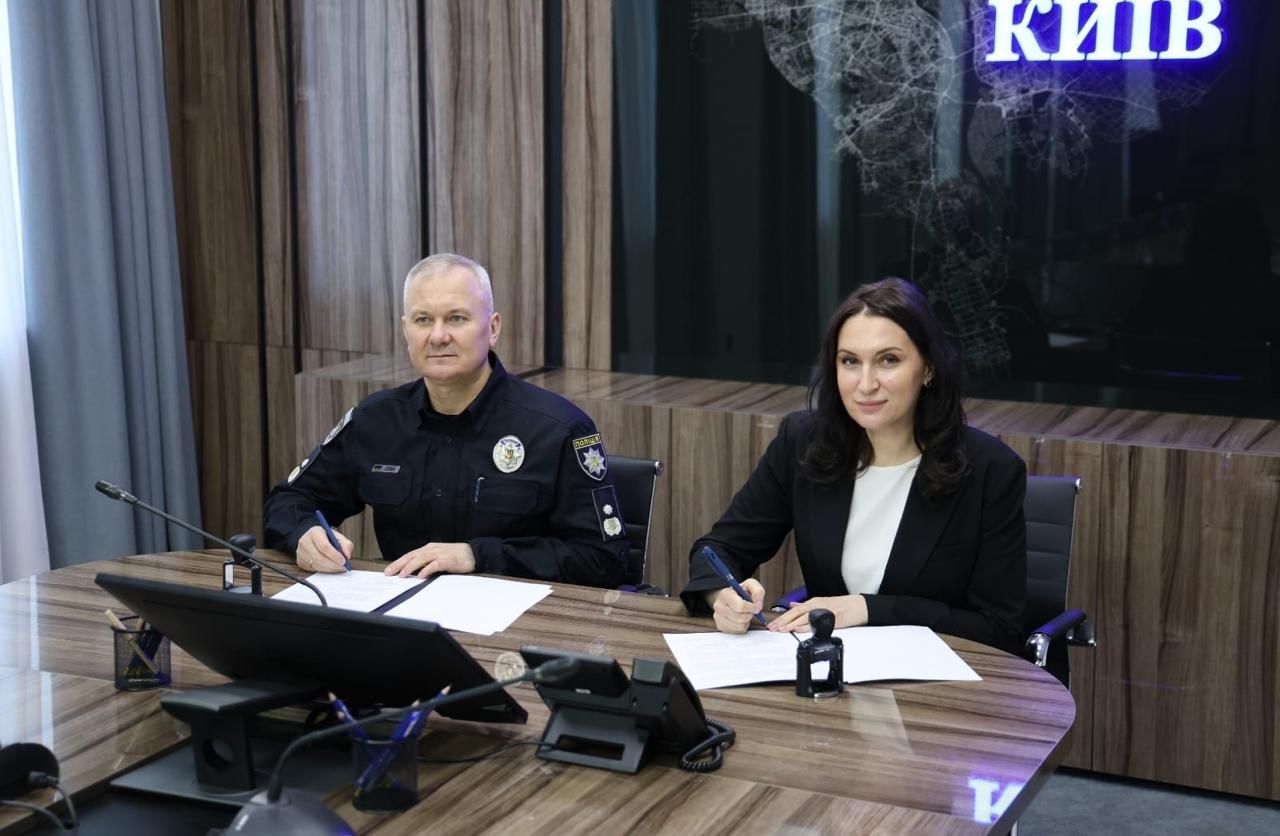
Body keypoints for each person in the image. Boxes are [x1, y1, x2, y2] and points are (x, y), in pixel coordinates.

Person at [680, 277, 1027, 653]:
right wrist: (722, 596)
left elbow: (998, 629)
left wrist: (866, 609)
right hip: (828, 672)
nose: (866, 384)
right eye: (850, 362)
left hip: (937, 679)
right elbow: (718, 549)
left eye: (888, 360)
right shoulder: (804, 443)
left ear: (928, 368)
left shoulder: (990, 469)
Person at [264, 253, 629, 587]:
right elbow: (289, 499)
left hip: (517, 623)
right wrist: (303, 532)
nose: (438, 336)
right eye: (423, 320)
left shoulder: (559, 428)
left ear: (493, 328)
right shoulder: (375, 420)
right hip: (402, 618)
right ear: (406, 331)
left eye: (456, 318)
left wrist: (477, 555)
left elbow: (605, 560)